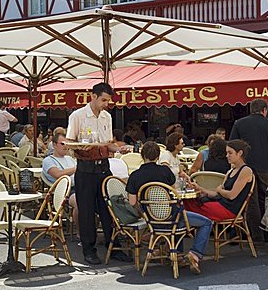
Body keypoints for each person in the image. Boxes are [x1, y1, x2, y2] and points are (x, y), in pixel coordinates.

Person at [66, 82, 130, 265]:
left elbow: (108, 143)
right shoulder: (77, 116)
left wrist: (118, 149)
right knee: (86, 210)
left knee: (108, 207)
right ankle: (89, 249)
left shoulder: (107, 117)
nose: (105, 104)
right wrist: (80, 148)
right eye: (103, 100)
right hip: (85, 167)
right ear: (93, 96)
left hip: (103, 165)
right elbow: (69, 142)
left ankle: (113, 245)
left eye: (108, 101)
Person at [126, 141, 212, 274]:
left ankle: (174, 253)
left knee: (178, 220)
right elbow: (174, 190)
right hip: (172, 217)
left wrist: (147, 211)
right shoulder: (165, 171)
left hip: (151, 220)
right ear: (158, 156)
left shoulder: (134, 176)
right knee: (206, 222)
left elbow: (132, 202)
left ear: (142, 155)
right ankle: (194, 254)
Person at [229, 98, 268, 242]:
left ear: (250, 109)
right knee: (262, 199)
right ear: (264, 110)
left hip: (244, 167)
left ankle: (252, 234)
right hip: (263, 167)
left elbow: (232, 146)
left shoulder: (239, 123)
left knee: (249, 200)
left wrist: (234, 166)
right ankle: (264, 232)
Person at [187, 140, 254, 221]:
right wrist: (199, 188)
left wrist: (220, 190)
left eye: (230, 153)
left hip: (229, 209)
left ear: (239, 153)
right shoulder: (230, 171)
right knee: (188, 202)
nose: (227, 156)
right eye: (226, 153)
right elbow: (216, 194)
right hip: (220, 204)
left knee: (189, 208)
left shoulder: (246, 170)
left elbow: (232, 195)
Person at [42, 133, 79, 239]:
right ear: (54, 145)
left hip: (79, 186)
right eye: (62, 143)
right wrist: (77, 168)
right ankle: (80, 232)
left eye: (67, 144)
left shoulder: (70, 158)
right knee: (80, 202)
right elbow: (57, 174)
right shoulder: (48, 160)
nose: (65, 146)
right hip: (64, 191)